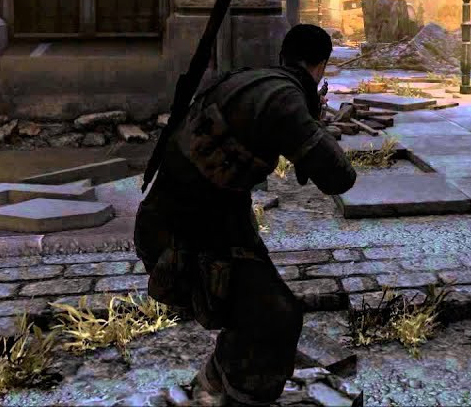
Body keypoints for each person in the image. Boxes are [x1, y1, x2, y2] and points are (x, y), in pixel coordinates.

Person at [135, 23, 357, 406]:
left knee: (256, 313)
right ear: (321, 65)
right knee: (276, 317)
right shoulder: (282, 98)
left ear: (283, 56)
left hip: (186, 219)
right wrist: (313, 124)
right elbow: (340, 177)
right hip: (187, 235)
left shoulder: (246, 79)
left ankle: (215, 383)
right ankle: (238, 395)